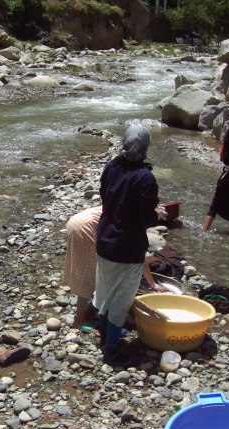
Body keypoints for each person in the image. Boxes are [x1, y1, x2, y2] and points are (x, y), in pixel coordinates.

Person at [93, 124, 165, 366]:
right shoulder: (145, 177)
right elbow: (145, 219)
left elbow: (107, 198)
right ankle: (111, 350)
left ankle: (106, 335)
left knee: (105, 291)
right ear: (145, 147)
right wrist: (158, 215)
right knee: (121, 299)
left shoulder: (112, 166)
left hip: (104, 239)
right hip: (127, 247)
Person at [63, 206, 167, 329]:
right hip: (86, 228)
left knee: (86, 265)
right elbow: (141, 260)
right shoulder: (133, 226)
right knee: (87, 273)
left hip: (77, 221)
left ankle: (96, 302)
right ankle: (79, 319)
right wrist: (153, 285)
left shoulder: (129, 208)